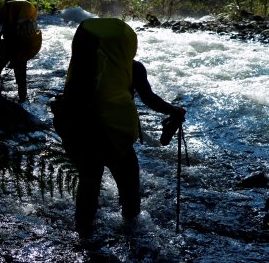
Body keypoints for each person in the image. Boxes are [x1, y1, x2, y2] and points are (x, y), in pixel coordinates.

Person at [55, 17, 186, 237]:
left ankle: (83, 234)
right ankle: (133, 235)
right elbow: (150, 99)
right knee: (129, 187)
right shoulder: (133, 68)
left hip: (81, 134)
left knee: (89, 183)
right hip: (115, 134)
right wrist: (174, 110)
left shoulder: (81, 66)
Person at [0, 0, 39, 103]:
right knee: (21, 78)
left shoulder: (6, 9)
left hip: (7, 45)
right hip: (22, 46)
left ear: (8, 1)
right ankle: (23, 101)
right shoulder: (26, 12)